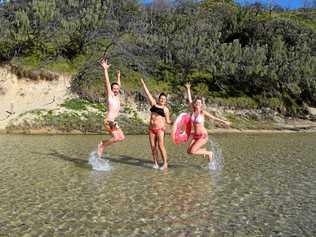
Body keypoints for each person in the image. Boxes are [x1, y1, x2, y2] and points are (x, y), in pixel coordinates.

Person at [185, 83, 230, 163]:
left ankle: (209, 153)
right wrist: (188, 89)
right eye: (197, 103)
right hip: (195, 136)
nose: (197, 104)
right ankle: (203, 150)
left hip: (203, 135)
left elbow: (214, 118)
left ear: (201, 104)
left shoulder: (203, 112)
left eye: (199, 103)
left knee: (192, 151)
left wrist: (224, 122)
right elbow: (190, 100)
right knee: (188, 151)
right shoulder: (193, 110)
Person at [140, 78, 172, 170]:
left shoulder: (165, 109)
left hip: (160, 129)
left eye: (164, 99)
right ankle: (156, 163)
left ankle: (165, 163)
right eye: (161, 98)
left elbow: (168, 121)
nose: (162, 100)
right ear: (159, 99)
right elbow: (148, 94)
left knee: (161, 146)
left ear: (165, 101)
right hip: (151, 129)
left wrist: (176, 122)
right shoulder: (153, 104)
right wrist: (143, 83)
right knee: (153, 147)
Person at [97, 58, 125, 158]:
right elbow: (108, 83)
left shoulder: (117, 96)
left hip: (113, 121)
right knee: (116, 137)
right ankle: (102, 145)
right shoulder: (110, 95)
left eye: (117, 89)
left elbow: (118, 85)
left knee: (121, 137)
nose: (116, 90)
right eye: (114, 89)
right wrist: (105, 70)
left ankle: (103, 143)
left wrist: (118, 77)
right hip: (108, 121)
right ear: (112, 90)